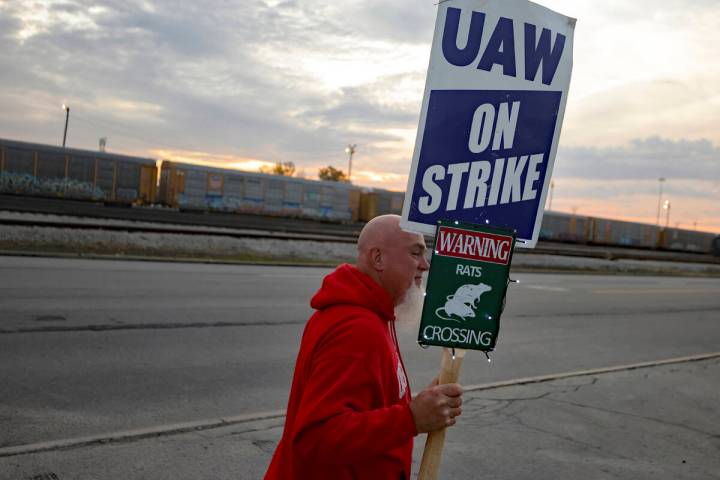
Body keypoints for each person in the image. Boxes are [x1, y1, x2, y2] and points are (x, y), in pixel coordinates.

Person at [264, 214, 464, 480]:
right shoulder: (356, 329)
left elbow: (366, 405)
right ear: (378, 258)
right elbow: (316, 438)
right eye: (415, 253)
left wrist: (420, 407)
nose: (425, 265)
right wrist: (411, 418)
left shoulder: (373, 315)